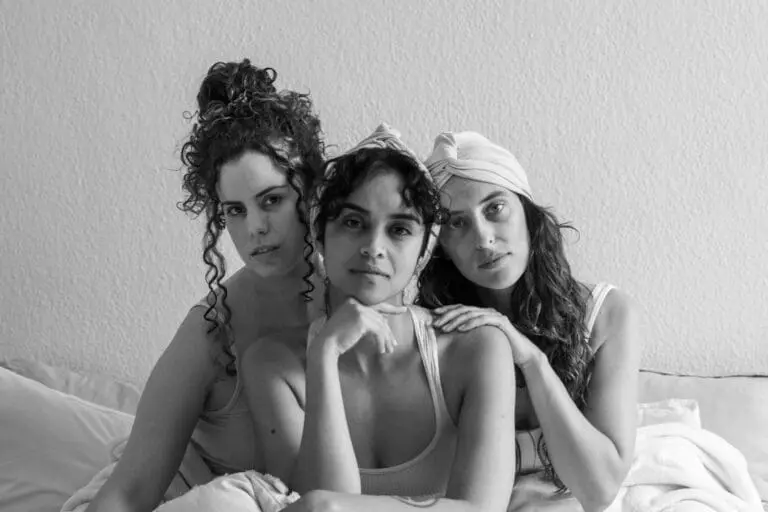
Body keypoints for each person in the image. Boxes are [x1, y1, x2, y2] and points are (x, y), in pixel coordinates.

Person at [83, 59, 326, 512]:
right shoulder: (212, 331)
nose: (254, 228)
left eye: (271, 200)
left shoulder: (360, 295)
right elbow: (129, 493)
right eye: (234, 210)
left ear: (310, 191)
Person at [239, 124, 517, 512]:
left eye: (399, 229)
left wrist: (338, 508)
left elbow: (482, 511)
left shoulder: (476, 349)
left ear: (424, 250)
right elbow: (313, 504)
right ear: (319, 235)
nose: (373, 248)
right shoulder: (273, 364)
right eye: (353, 223)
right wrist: (324, 354)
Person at [417, 131, 641, 511]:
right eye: (457, 223)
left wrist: (530, 359)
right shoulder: (434, 329)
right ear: (441, 247)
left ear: (527, 212)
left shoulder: (607, 313)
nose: (484, 240)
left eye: (495, 208)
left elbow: (599, 489)